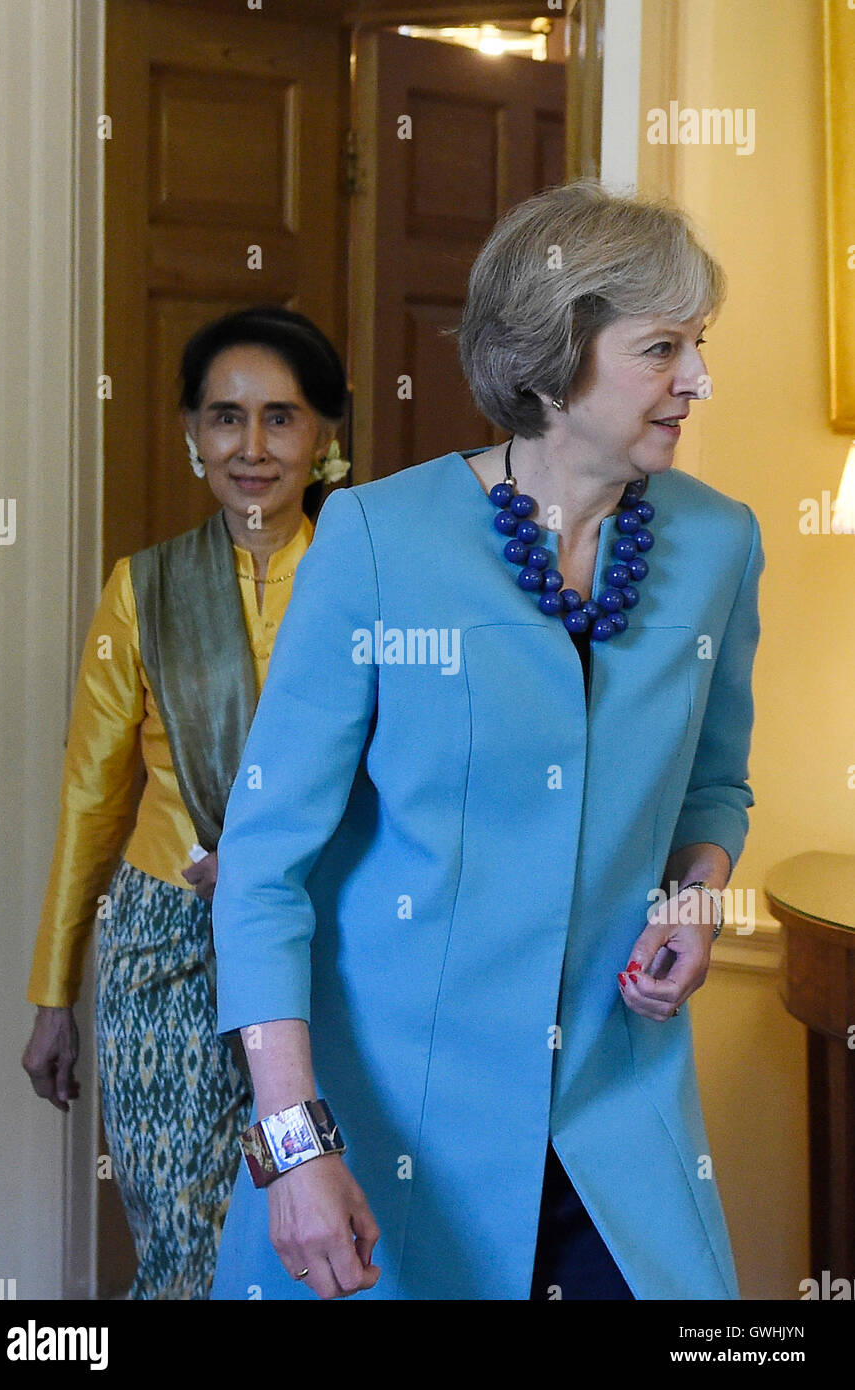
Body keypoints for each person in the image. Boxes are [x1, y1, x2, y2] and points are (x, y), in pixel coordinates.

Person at [209, 181, 764, 1301]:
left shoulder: (718, 544)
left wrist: (695, 899)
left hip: (616, 1118)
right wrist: (296, 1145)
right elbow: (262, 872)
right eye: (663, 349)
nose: (696, 381)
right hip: (393, 1131)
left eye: (697, 346)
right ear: (557, 363)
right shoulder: (376, 538)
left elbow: (714, 787)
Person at [21, 305, 350, 1299]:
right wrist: (53, 992)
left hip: (326, 938)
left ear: (326, 436)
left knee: (320, 1235)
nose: (251, 446)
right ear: (190, 433)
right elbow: (90, 795)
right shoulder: (144, 590)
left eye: (282, 418)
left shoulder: (365, 580)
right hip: (166, 944)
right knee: (185, 1248)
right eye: (225, 417)